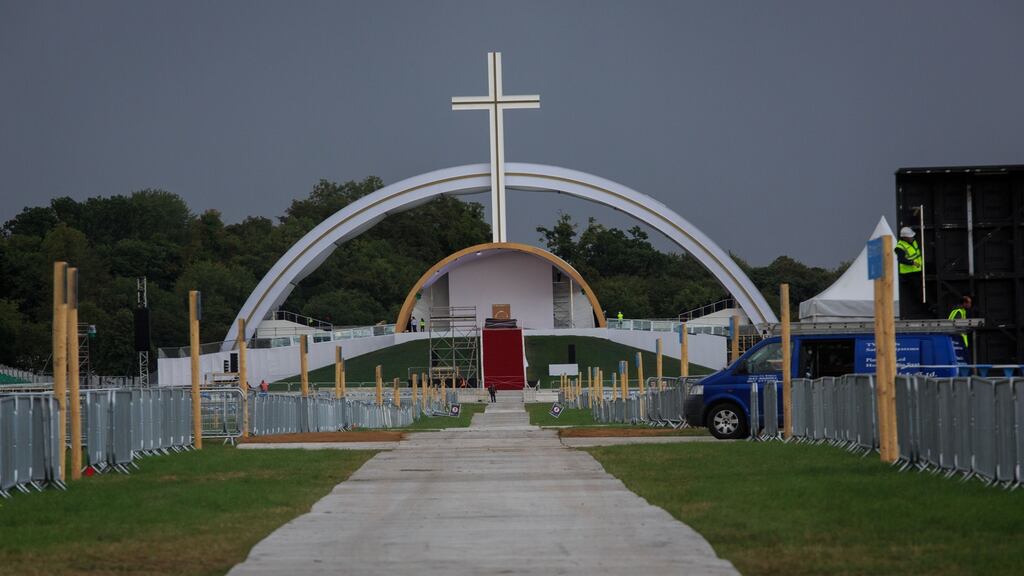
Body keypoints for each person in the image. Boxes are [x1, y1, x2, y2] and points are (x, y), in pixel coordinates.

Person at [895, 227, 924, 317]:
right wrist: (912, 263)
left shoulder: (914, 242)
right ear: (904, 237)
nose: (912, 238)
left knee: (920, 292)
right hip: (908, 275)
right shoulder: (900, 247)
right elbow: (901, 259)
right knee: (913, 295)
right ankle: (916, 312)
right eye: (910, 237)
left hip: (917, 272)